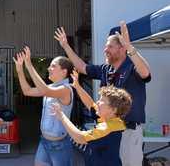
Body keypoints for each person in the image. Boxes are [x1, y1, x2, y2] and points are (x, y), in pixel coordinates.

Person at [54, 21, 151, 166]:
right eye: (106, 46)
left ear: (122, 48)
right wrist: (66, 45)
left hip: (128, 132)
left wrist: (131, 48)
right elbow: (81, 67)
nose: (105, 49)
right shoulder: (106, 69)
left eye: (110, 46)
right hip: (108, 131)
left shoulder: (132, 67)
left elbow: (145, 73)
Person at [51, 70, 132, 166]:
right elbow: (91, 105)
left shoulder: (106, 129)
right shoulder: (113, 121)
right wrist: (77, 86)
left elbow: (79, 137)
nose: (97, 102)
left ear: (113, 109)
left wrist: (61, 115)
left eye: (102, 101)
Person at [13, 46, 74, 166]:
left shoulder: (66, 89)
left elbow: (45, 91)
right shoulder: (51, 88)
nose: (49, 68)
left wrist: (29, 64)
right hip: (44, 141)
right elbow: (27, 91)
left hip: (59, 145)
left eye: (53, 66)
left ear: (64, 72)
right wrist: (20, 70)